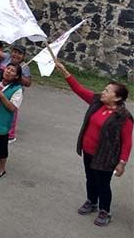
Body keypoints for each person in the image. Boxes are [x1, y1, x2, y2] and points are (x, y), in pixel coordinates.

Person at [55, 61, 132, 227]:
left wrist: (122, 163)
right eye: (104, 89)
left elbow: (127, 141)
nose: (102, 92)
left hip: (106, 157)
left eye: (107, 91)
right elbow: (79, 89)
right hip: (88, 151)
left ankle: (105, 211)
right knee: (90, 178)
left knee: (103, 183)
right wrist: (64, 71)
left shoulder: (124, 117)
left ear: (117, 97)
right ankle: (91, 201)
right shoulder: (97, 102)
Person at [0, 43, 32, 142]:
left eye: (20, 53)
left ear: (23, 56)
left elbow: (28, 83)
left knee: (11, 112)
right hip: (1, 87)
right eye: (15, 52)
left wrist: (17, 74)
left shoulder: (25, 66)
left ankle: (10, 135)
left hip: (14, 91)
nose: (16, 55)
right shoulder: (7, 58)